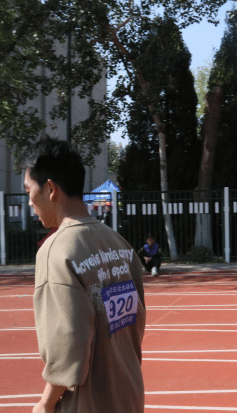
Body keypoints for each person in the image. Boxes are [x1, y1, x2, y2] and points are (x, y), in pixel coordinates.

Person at [22, 135, 146, 413]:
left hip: (89, 403)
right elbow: (134, 323)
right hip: (129, 395)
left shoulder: (57, 251)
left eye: (29, 190)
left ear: (50, 188)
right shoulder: (120, 245)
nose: (29, 201)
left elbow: (68, 347)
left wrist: (45, 404)